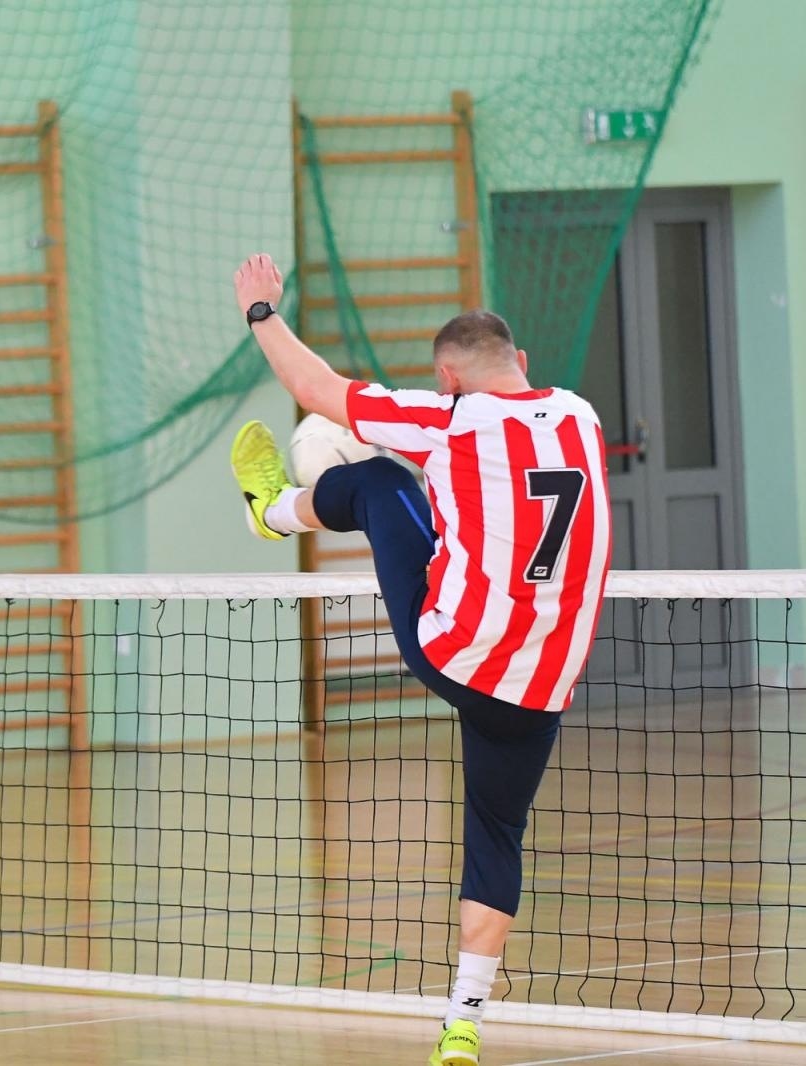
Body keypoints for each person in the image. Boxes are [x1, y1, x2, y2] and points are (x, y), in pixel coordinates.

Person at [228, 254, 611, 1066]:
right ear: (524, 364)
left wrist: (263, 313)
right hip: (542, 682)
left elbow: (318, 390)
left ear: (448, 378)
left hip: (456, 652)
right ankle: (464, 1020)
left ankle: (274, 513)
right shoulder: (581, 417)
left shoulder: (455, 420)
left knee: (372, 482)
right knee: (497, 834)